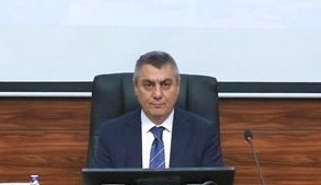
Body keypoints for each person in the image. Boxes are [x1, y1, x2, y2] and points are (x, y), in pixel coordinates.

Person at [91, 51, 223, 168]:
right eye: (148, 85)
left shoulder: (203, 133)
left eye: (166, 85)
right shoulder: (110, 134)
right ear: (135, 87)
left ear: (178, 86)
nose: (157, 94)